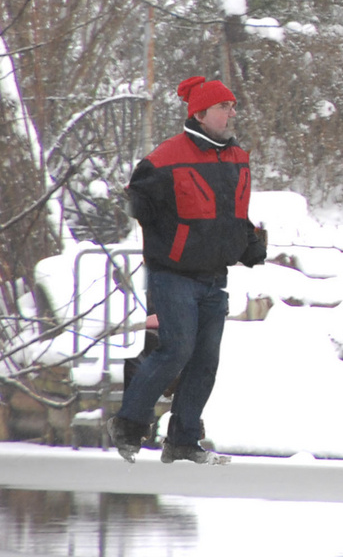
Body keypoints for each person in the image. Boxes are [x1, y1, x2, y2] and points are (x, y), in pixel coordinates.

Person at [108, 75, 267, 464]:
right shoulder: (164, 159)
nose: (231, 112)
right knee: (176, 350)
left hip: (215, 277)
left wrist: (249, 244)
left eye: (231, 106)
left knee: (204, 362)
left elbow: (233, 214)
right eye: (223, 107)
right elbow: (138, 207)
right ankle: (128, 425)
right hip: (173, 275)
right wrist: (141, 213)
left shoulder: (237, 158)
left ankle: (182, 440)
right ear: (200, 113)